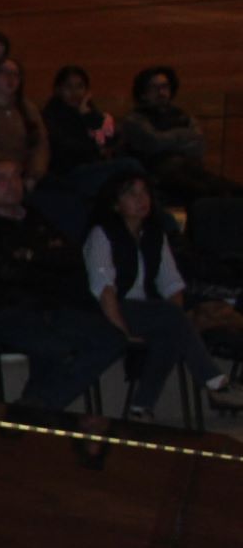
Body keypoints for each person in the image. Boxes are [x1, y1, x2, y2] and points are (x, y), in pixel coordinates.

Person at [0, 156, 127, 410]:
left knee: (112, 339)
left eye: (16, 176)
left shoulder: (34, 217)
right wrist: (45, 259)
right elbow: (5, 271)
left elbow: (71, 257)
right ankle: (36, 409)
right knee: (57, 348)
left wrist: (31, 256)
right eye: (1, 179)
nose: (12, 184)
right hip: (1, 311)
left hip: (47, 308)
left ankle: (36, 407)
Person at [84, 171, 243, 420]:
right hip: (108, 309)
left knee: (170, 330)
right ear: (115, 203)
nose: (141, 199)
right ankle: (215, 383)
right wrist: (124, 331)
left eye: (144, 192)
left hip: (146, 310)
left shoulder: (154, 235)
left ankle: (140, 408)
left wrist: (175, 318)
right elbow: (103, 289)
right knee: (170, 317)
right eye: (131, 193)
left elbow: (171, 284)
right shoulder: (102, 235)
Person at [118, 66, 240, 206]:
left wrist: (169, 139)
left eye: (165, 87)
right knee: (207, 193)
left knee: (232, 190)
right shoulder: (135, 119)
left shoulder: (183, 116)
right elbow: (154, 142)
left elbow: (199, 145)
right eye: (154, 88)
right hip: (157, 176)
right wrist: (182, 136)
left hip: (190, 170)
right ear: (143, 93)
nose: (161, 92)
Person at [42, 65, 132, 198]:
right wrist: (95, 148)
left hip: (93, 167)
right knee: (128, 167)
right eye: (69, 87)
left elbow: (111, 138)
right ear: (58, 89)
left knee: (129, 169)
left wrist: (89, 115)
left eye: (80, 86)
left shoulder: (88, 112)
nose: (75, 92)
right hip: (68, 173)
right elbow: (65, 149)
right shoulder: (50, 116)